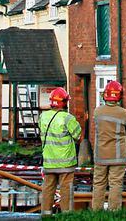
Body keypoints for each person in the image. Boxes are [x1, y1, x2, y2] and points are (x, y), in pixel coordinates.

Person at [39, 87, 82, 215]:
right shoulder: (67, 118)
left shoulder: (43, 117)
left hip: (49, 162)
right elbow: (77, 135)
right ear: (64, 102)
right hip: (65, 163)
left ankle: (46, 214)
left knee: (47, 189)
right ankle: (66, 215)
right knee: (66, 190)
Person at [90, 80, 126, 211]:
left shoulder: (97, 112)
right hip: (118, 156)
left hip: (100, 155)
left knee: (98, 184)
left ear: (105, 95)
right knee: (115, 184)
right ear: (119, 96)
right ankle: (114, 211)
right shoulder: (124, 113)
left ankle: (96, 211)